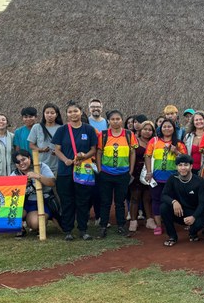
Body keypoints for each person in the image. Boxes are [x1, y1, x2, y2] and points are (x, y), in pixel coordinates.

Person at [52, 101, 99, 241]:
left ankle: (83, 229)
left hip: (83, 170)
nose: (73, 114)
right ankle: (68, 230)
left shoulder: (88, 129)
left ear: (81, 112)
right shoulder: (62, 130)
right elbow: (57, 149)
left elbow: (93, 149)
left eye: (76, 111)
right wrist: (66, 160)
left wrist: (85, 156)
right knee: (67, 201)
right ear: (66, 114)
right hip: (65, 171)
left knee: (83, 200)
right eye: (70, 112)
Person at [96, 110, 138, 238]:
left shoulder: (128, 134)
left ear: (122, 120)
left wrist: (130, 170)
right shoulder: (103, 135)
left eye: (118, 119)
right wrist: (99, 169)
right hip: (106, 173)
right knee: (105, 201)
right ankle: (103, 226)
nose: (115, 121)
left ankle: (121, 226)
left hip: (123, 173)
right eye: (113, 119)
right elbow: (98, 152)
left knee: (120, 202)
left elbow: (132, 153)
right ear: (108, 121)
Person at [145, 119, 188, 236]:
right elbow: (147, 156)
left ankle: (171, 222)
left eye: (169, 126)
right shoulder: (154, 141)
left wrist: (176, 152)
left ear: (174, 128)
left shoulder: (179, 144)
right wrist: (149, 172)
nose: (167, 129)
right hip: (157, 178)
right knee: (156, 200)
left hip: (174, 178)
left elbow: (186, 159)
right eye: (164, 126)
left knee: (173, 201)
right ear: (160, 128)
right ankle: (159, 225)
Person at [160, 154, 204, 246]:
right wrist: (174, 202)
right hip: (179, 211)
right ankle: (172, 236)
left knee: (200, 222)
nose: (183, 168)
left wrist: (194, 217)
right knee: (163, 207)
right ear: (176, 167)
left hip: (194, 213)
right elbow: (164, 195)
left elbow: (203, 203)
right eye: (180, 165)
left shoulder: (199, 181)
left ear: (191, 166)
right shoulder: (172, 178)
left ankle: (193, 233)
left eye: (186, 165)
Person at [11, 149, 58, 235]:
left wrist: (37, 176)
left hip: (43, 201)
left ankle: (37, 222)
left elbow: (52, 182)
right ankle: (20, 227)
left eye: (23, 159)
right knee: (10, 212)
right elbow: (10, 194)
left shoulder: (41, 166)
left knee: (35, 223)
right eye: (18, 162)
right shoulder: (15, 174)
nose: (21, 163)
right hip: (25, 203)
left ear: (29, 158)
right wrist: (21, 184)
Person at [129, 120, 156, 231]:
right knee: (135, 197)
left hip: (149, 173)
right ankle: (133, 221)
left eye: (150, 130)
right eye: (145, 129)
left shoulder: (155, 142)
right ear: (140, 130)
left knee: (147, 197)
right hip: (136, 171)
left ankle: (149, 220)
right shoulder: (135, 141)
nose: (147, 132)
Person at [28, 103, 63, 173]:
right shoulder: (37, 127)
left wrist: (58, 151)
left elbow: (65, 145)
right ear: (44, 114)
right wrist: (41, 149)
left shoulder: (61, 128)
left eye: (52, 113)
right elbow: (31, 145)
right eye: (47, 113)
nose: (49, 115)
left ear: (56, 114)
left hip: (57, 165)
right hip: (41, 165)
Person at [183, 111, 204, 175]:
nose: (199, 122)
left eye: (201, 119)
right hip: (190, 170)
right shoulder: (188, 136)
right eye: (196, 120)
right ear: (193, 122)